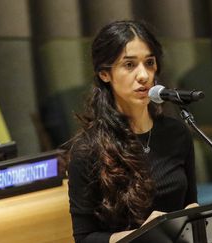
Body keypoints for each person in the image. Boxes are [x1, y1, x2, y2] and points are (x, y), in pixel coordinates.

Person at [64, 20, 198, 243]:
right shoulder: (87, 150)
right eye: (129, 65)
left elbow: (190, 203)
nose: (144, 75)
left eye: (149, 63)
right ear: (105, 74)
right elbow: (85, 238)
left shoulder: (177, 134)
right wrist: (145, 235)